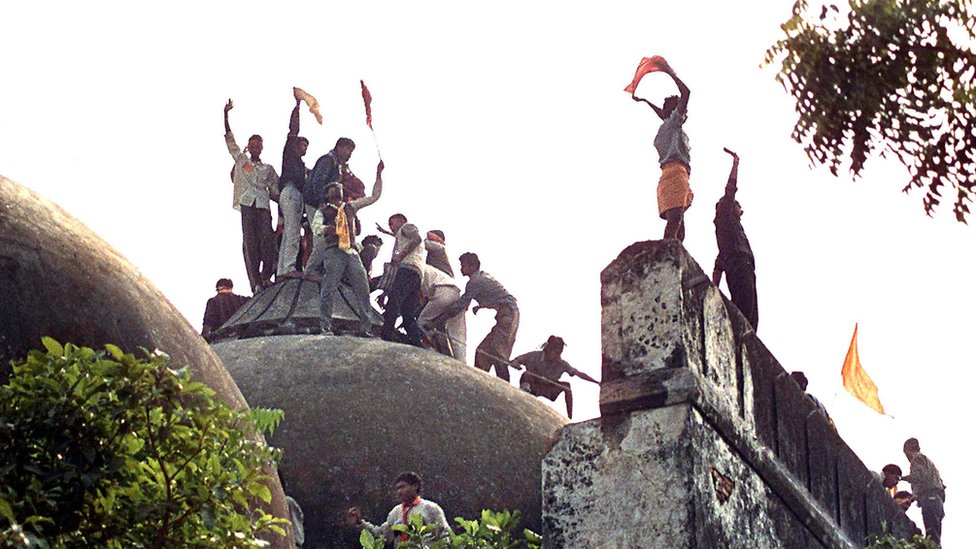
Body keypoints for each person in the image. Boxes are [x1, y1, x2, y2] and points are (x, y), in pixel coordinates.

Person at [310, 160, 385, 336]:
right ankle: (325, 325)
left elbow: (374, 197)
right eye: (333, 189)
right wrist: (327, 229)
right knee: (329, 288)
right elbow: (316, 228)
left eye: (339, 188)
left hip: (351, 252)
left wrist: (379, 175)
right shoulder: (323, 212)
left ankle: (366, 328)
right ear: (327, 194)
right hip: (333, 252)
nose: (337, 190)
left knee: (363, 289)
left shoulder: (350, 207)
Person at [631, 58, 692, 241]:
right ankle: (665, 253)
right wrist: (669, 71)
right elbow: (687, 92)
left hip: (670, 176)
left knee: (679, 224)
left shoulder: (665, 128)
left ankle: (674, 255)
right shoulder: (673, 124)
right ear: (675, 112)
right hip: (675, 174)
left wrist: (646, 101)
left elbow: (663, 114)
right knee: (676, 220)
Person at [224, 99, 280, 292]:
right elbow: (231, 143)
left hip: (263, 206)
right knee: (250, 242)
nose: (255, 148)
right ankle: (256, 281)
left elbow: (276, 191)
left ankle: (266, 276)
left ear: (262, 148)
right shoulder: (243, 163)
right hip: (247, 205)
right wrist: (226, 115)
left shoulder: (268, 169)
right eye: (252, 145)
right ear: (249, 147)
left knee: (267, 239)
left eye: (258, 145)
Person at [436, 252, 519, 381]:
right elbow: (493, 295)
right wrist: (481, 306)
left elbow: (460, 304)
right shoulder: (480, 278)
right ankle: (478, 382)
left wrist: (439, 320)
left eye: (463, 265)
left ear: (471, 266)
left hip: (508, 315)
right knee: (482, 352)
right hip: (505, 315)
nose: (461, 268)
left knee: (498, 353)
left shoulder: (475, 282)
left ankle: (505, 388)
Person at [712, 148, 758, 330]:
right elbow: (730, 189)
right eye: (738, 206)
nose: (742, 210)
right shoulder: (724, 216)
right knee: (744, 309)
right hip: (739, 267)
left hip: (746, 268)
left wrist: (713, 287)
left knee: (752, 316)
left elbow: (719, 263)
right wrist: (735, 165)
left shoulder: (732, 233)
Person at [347, 471, 450, 547]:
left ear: (415, 486)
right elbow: (382, 535)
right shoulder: (396, 512)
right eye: (397, 489)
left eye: (403, 487)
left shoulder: (430, 508)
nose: (399, 492)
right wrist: (360, 523)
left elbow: (445, 536)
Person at [509, 336, 599, 419]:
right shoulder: (534, 356)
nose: (557, 355)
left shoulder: (562, 364)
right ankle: (523, 398)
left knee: (567, 386)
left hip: (548, 389)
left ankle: (569, 418)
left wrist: (596, 382)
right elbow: (517, 360)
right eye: (555, 352)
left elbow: (578, 373)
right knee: (526, 374)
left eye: (559, 352)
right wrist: (515, 364)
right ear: (548, 349)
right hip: (533, 386)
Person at [304, 137, 356, 278]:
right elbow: (318, 180)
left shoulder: (335, 164)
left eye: (351, 150)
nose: (349, 153)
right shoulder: (328, 160)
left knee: (326, 238)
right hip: (315, 203)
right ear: (339, 147)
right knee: (321, 238)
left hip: (321, 204)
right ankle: (310, 271)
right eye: (347, 149)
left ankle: (316, 269)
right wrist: (321, 201)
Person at [277, 89, 311, 280]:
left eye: (307, 146)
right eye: (302, 145)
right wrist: (297, 106)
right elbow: (293, 130)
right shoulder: (290, 155)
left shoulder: (301, 165)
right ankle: (289, 267)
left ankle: (283, 270)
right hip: (291, 192)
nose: (304, 148)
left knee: (290, 232)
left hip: (293, 194)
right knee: (292, 231)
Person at [380, 214, 425, 347]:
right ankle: (417, 343)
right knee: (407, 311)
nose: (391, 227)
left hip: (408, 268)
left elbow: (417, 238)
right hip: (417, 274)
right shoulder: (402, 234)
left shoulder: (406, 227)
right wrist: (386, 232)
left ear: (401, 221)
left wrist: (401, 255)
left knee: (394, 300)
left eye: (392, 223)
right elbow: (400, 236)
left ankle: (386, 335)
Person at [418, 262, 466, 361]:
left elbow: (419, 300)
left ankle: (429, 350)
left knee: (422, 322)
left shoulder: (413, 270)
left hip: (442, 291)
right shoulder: (426, 268)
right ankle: (460, 361)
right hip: (456, 292)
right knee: (456, 334)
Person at [902, 437, 946, 544]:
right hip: (937, 501)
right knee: (934, 536)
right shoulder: (928, 462)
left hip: (930, 499)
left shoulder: (917, 459)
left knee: (932, 537)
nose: (906, 457)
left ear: (908, 449)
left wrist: (902, 478)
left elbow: (918, 477)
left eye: (905, 452)